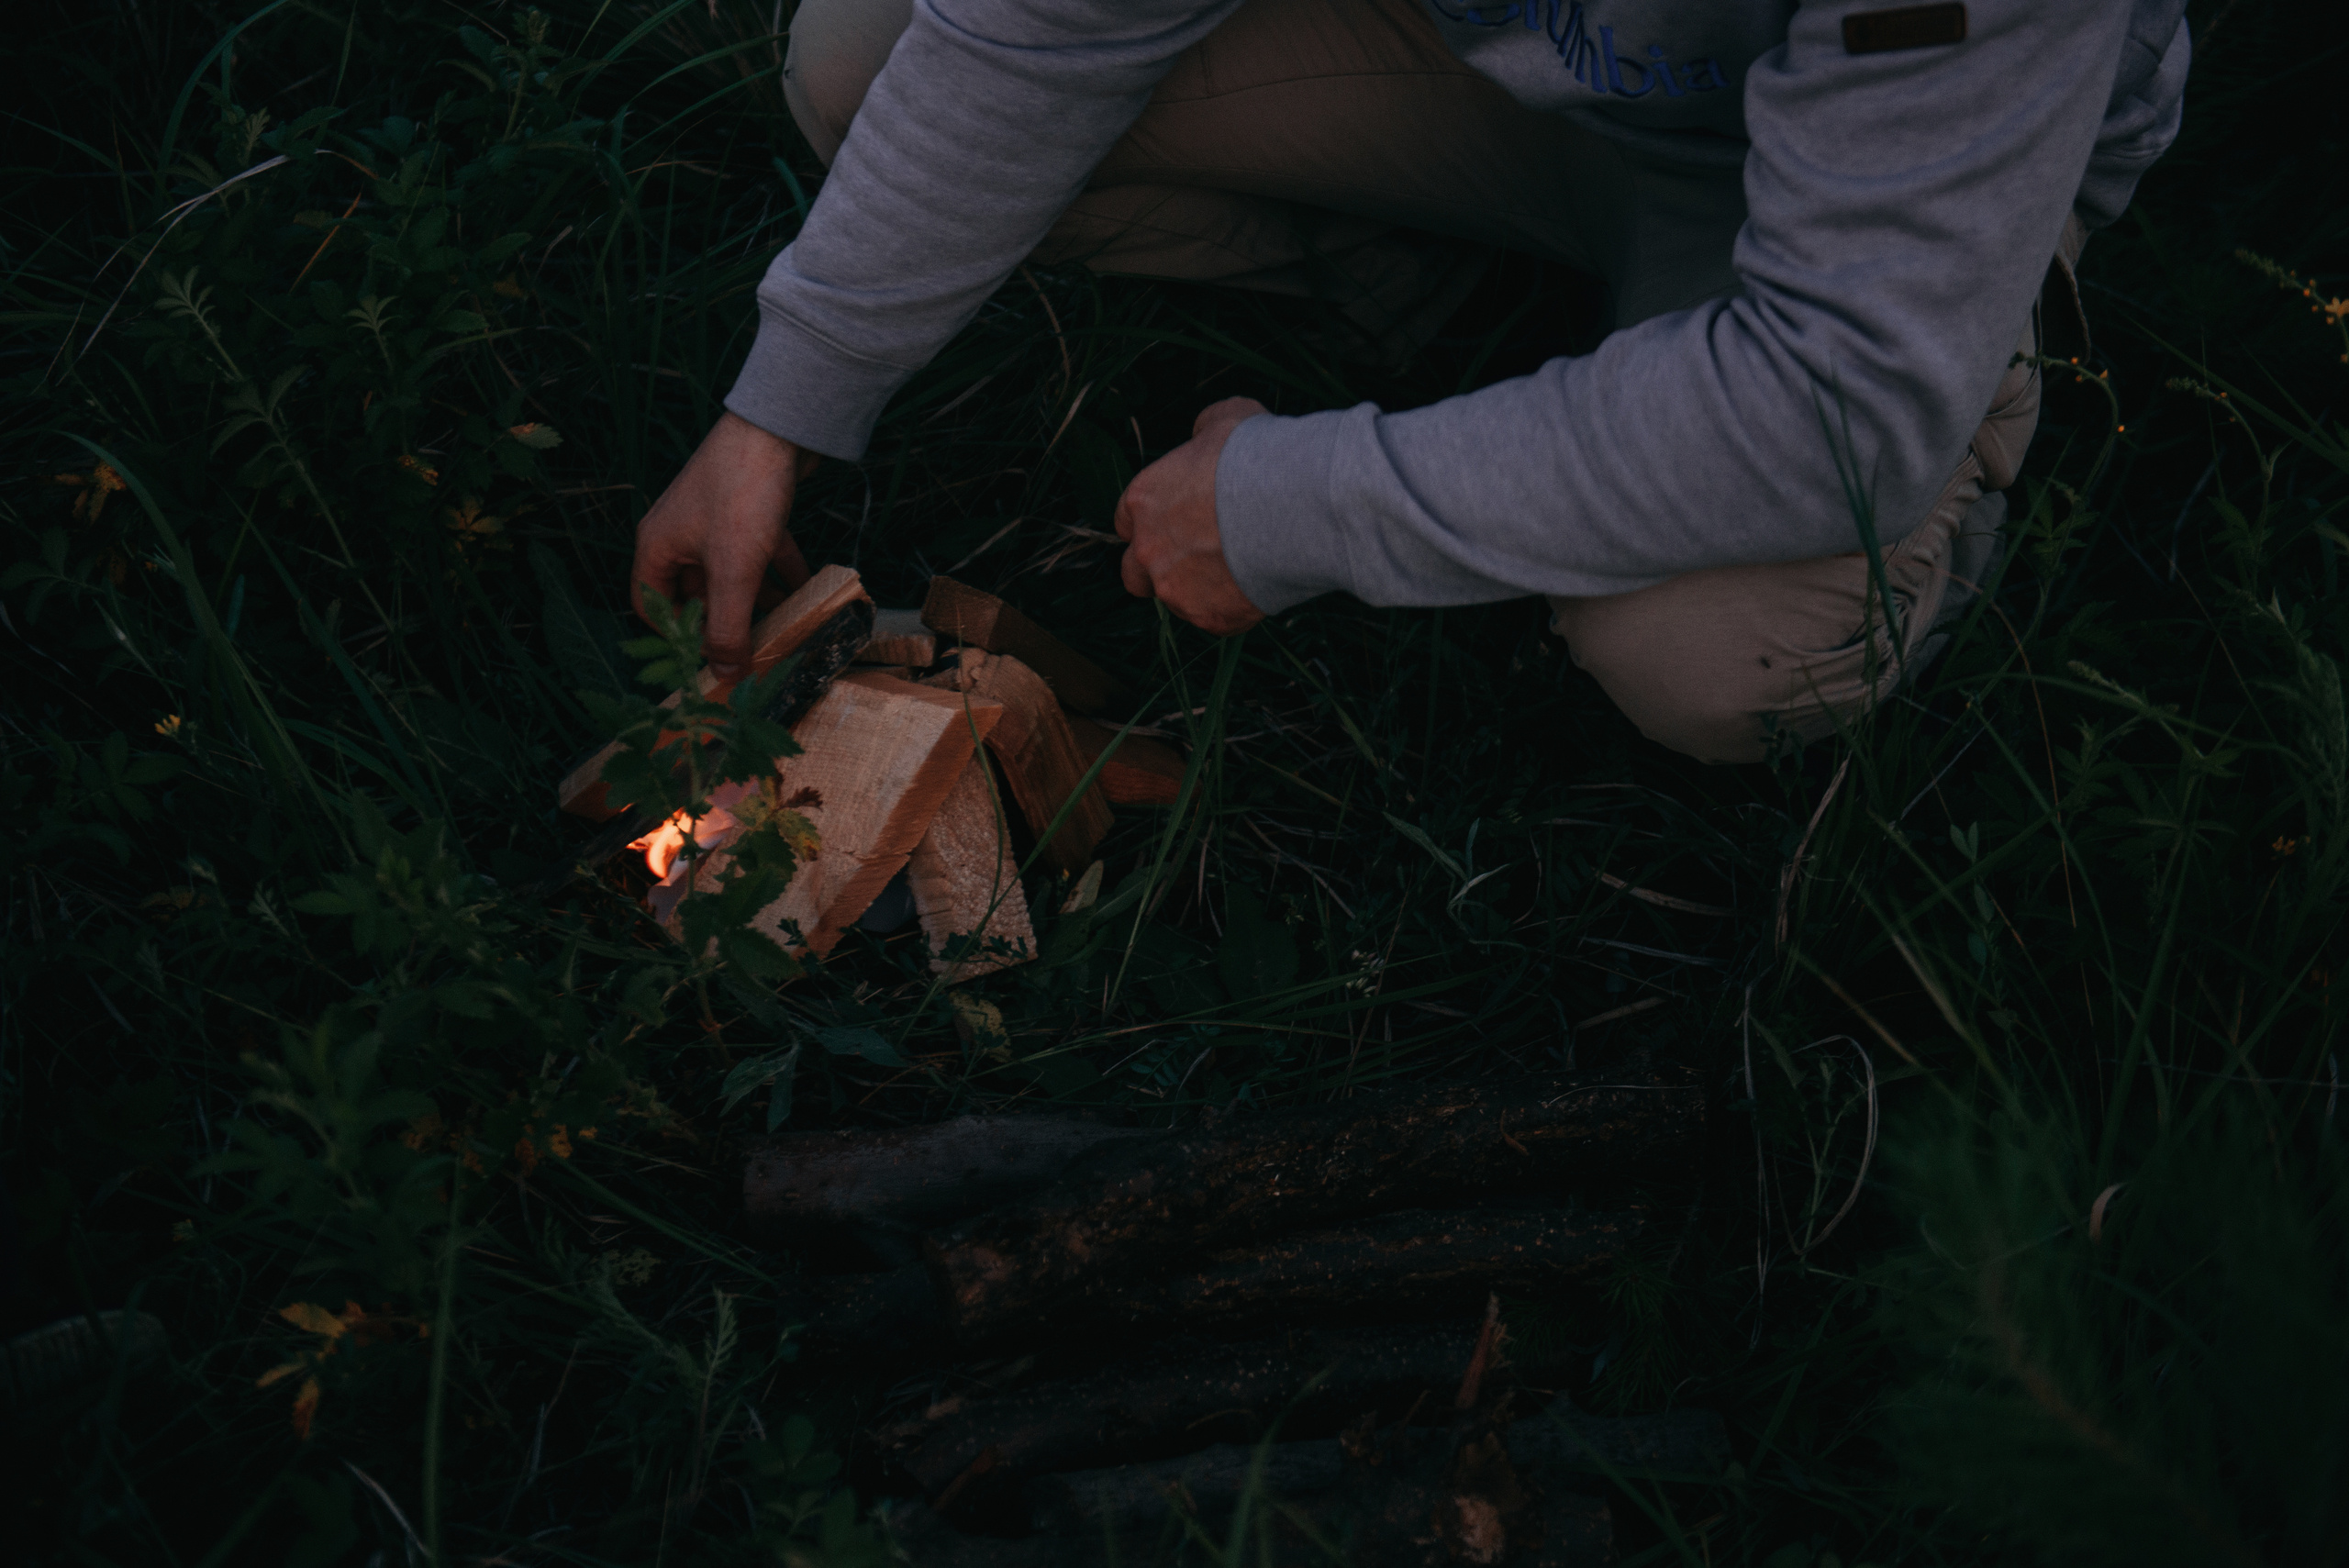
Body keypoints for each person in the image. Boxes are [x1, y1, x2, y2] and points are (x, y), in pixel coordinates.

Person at [629, 0, 2188, 762]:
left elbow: (1834, 397)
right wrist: (783, 405)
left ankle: (1955, 462)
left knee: (1728, 655)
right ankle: (1475, 335)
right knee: (867, 58)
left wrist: (1298, 506)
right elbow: (1055, 26)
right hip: (1520, 75)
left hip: (1855, 207)